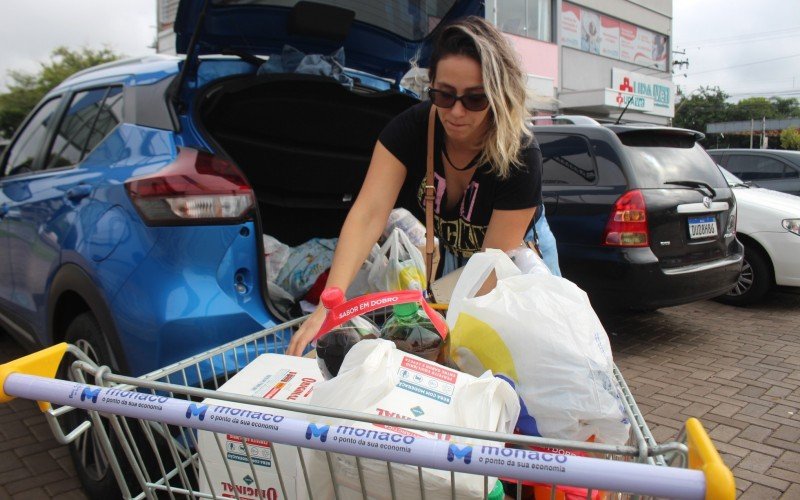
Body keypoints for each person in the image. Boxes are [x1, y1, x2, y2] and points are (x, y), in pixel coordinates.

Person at [287, 16, 543, 356]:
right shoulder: (412, 128)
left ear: (498, 96)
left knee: (510, 354)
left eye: (475, 99)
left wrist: (441, 348)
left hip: (512, 257)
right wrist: (329, 304)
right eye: (444, 95)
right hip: (456, 255)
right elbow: (368, 213)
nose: (456, 111)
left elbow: (491, 269)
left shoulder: (520, 154)